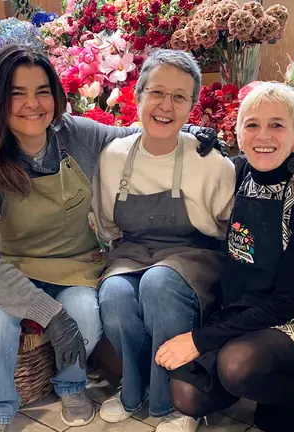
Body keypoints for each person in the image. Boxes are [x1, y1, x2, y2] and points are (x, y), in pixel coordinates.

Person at [0, 44, 223, 432]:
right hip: (9, 265)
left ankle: (71, 385)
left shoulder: (75, 134)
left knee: (84, 312)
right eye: (17, 93)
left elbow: (139, 134)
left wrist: (191, 132)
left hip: (73, 265)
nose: (32, 104)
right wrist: (49, 315)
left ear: (56, 95)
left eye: (42, 91)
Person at [158, 82, 294, 432]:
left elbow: (288, 301)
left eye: (277, 125)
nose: (264, 136)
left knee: (238, 365)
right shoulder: (239, 172)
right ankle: (260, 388)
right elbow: (183, 154)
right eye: (252, 125)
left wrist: (199, 340)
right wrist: (190, 134)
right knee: (186, 394)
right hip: (244, 309)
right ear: (238, 133)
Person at [94, 49, 236, 432]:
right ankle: (132, 390)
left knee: (159, 284)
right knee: (115, 295)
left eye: (179, 97)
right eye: (157, 92)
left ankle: (171, 403)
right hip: (133, 248)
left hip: (193, 254)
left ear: (192, 107)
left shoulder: (210, 161)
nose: (165, 105)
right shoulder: (114, 156)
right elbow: (108, 224)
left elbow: (228, 228)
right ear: (138, 95)